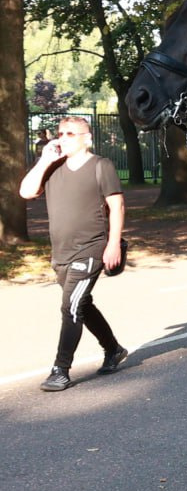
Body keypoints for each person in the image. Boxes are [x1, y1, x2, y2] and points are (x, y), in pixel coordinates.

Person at [20, 116, 130, 392]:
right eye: (60, 133)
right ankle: (113, 349)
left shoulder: (100, 166)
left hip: (90, 248)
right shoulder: (53, 167)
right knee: (82, 304)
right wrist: (44, 160)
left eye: (71, 133)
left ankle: (60, 369)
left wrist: (113, 243)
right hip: (61, 252)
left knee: (70, 307)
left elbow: (116, 206)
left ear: (87, 138)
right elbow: (26, 192)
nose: (63, 137)